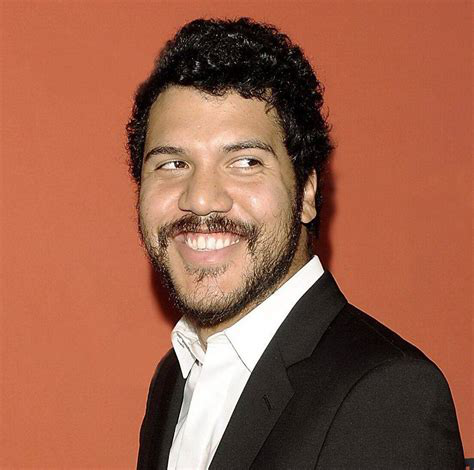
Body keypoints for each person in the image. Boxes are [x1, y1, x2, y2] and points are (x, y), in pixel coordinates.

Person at [127, 17, 464, 469]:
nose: (201, 198)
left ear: (306, 192)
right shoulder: (174, 377)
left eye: (245, 162)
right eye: (172, 165)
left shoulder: (387, 395)